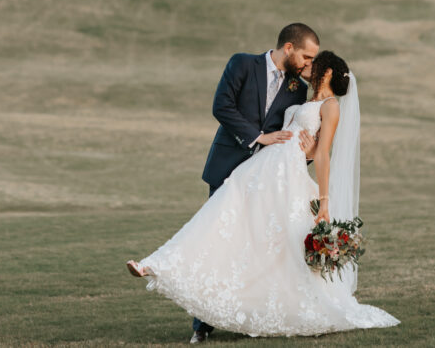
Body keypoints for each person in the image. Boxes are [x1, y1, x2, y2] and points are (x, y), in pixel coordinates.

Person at [126, 50, 399, 339]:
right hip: (262, 166)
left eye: (314, 63)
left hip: (286, 176)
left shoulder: (331, 106)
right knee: (220, 217)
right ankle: (158, 264)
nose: (307, 66)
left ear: (328, 72)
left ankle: (169, 270)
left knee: (275, 244)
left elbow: (323, 155)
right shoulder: (305, 99)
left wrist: (324, 200)